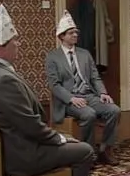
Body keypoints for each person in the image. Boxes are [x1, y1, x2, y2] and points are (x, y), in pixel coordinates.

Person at [0, 5, 96, 176]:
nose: (19, 44)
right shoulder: (3, 80)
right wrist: (60, 138)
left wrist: (58, 138)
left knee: (65, 143)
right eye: (15, 40)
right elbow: (30, 125)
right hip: (20, 156)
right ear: (1, 45)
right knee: (85, 151)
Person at [45, 10, 121, 165]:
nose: (75, 35)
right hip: (69, 100)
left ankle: (105, 149)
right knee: (89, 114)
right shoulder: (52, 57)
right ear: (61, 36)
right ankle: (87, 153)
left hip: (89, 95)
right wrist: (71, 98)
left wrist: (103, 93)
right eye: (71, 33)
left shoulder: (84, 54)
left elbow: (95, 77)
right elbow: (54, 85)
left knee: (114, 110)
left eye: (76, 32)